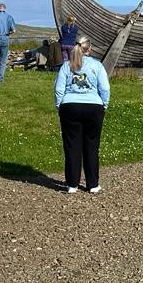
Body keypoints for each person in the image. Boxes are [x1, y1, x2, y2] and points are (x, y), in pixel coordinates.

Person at [54, 36, 110, 194]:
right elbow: (105, 88)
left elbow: (59, 89)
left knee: (72, 146)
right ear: (89, 49)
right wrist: (104, 105)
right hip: (94, 106)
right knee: (92, 146)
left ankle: (72, 184)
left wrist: (60, 106)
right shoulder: (97, 65)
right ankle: (93, 184)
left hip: (70, 106)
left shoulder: (67, 65)